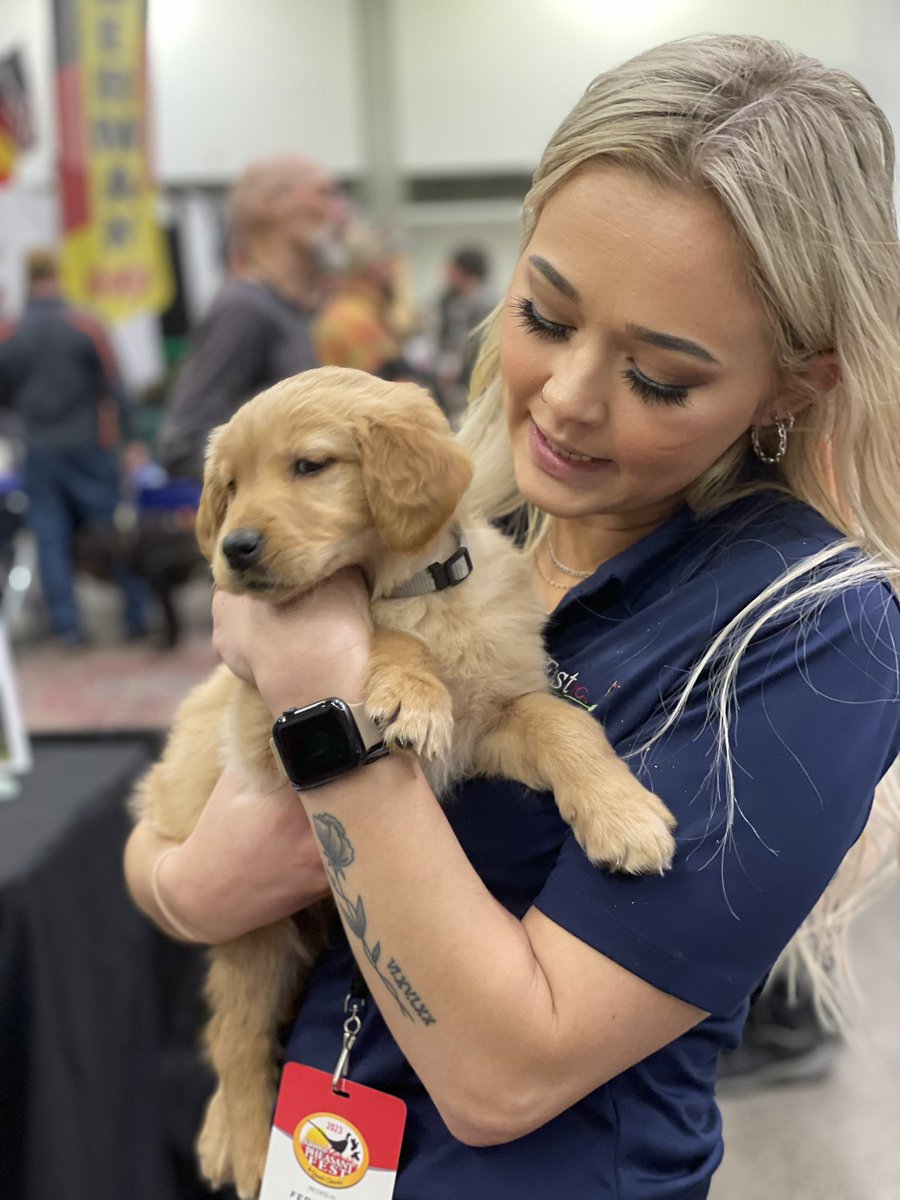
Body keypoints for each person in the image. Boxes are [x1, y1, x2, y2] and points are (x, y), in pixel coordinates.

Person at [126, 35, 900, 1199]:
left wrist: (324, 695)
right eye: (545, 314)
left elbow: (502, 1080)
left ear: (799, 381)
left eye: (660, 376)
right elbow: (171, 835)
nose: (568, 401)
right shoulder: (462, 516)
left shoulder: (814, 635)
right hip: (325, 1145)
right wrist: (186, 886)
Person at [159, 153, 347, 480]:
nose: (339, 212)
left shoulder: (285, 310)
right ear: (273, 203)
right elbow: (185, 443)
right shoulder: (244, 309)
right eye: (324, 194)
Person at [0, 248, 148, 646]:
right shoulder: (85, 324)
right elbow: (115, 383)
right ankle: (136, 615)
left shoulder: (11, 334)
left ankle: (68, 629)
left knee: (50, 539)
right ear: (58, 276)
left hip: (37, 448)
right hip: (89, 444)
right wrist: (133, 436)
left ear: (27, 280)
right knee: (109, 528)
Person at [311, 218, 405, 377]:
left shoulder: (355, 310)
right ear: (372, 268)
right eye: (386, 263)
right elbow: (382, 382)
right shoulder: (355, 319)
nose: (393, 271)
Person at [433, 244, 496, 421]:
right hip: (455, 374)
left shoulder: (489, 304)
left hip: (478, 372)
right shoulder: (449, 300)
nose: (446, 274)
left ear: (465, 273)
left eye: (452, 269)